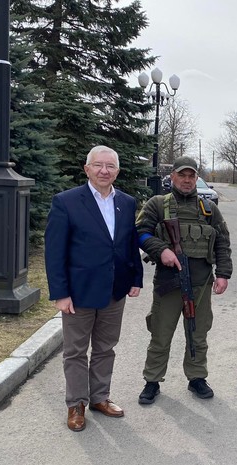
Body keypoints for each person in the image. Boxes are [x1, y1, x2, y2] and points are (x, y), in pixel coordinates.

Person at [45, 145, 143, 432]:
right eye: (98, 165)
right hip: (79, 292)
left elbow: (129, 243)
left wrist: (135, 278)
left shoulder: (126, 202)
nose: (104, 171)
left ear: (117, 171)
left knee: (105, 347)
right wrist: (60, 293)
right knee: (75, 351)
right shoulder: (66, 202)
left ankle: (100, 397)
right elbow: (55, 251)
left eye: (110, 166)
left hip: (115, 290)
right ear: (87, 169)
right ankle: (76, 404)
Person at [135, 156, 232, 404]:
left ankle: (197, 378)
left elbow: (222, 242)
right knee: (160, 333)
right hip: (168, 284)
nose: (187, 180)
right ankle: (152, 381)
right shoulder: (158, 204)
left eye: (191, 176)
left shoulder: (208, 209)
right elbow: (140, 233)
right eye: (182, 175)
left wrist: (223, 274)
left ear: (196, 178)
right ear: (173, 177)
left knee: (198, 334)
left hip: (201, 284)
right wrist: (161, 250)